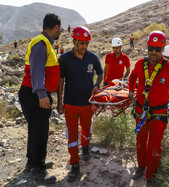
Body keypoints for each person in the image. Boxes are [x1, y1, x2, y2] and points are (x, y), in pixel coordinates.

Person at [128, 31, 169, 186]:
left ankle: (150, 175)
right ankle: (141, 166)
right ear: (147, 47)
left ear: (163, 50)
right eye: (150, 48)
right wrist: (130, 90)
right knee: (140, 141)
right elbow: (133, 76)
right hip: (141, 111)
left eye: (157, 49)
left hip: (159, 113)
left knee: (154, 147)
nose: (153, 52)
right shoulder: (140, 64)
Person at [18, 13, 61, 184]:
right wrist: (42, 93)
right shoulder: (41, 43)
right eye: (60, 29)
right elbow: (37, 70)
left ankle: (32, 162)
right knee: (40, 131)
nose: (61, 32)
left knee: (36, 129)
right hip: (35, 93)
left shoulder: (45, 43)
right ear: (56, 27)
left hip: (34, 92)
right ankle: (38, 168)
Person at [57, 26, 103, 182]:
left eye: (87, 43)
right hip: (70, 103)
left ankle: (85, 147)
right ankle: (75, 164)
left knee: (86, 131)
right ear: (74, 41)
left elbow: (100, 73)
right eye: (82, 43)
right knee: (71, 135)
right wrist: (60, 102)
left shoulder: (93, 58)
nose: (84, 46)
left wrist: (97, 85)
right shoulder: (64, 59)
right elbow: (60, 81)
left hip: (87, 103)